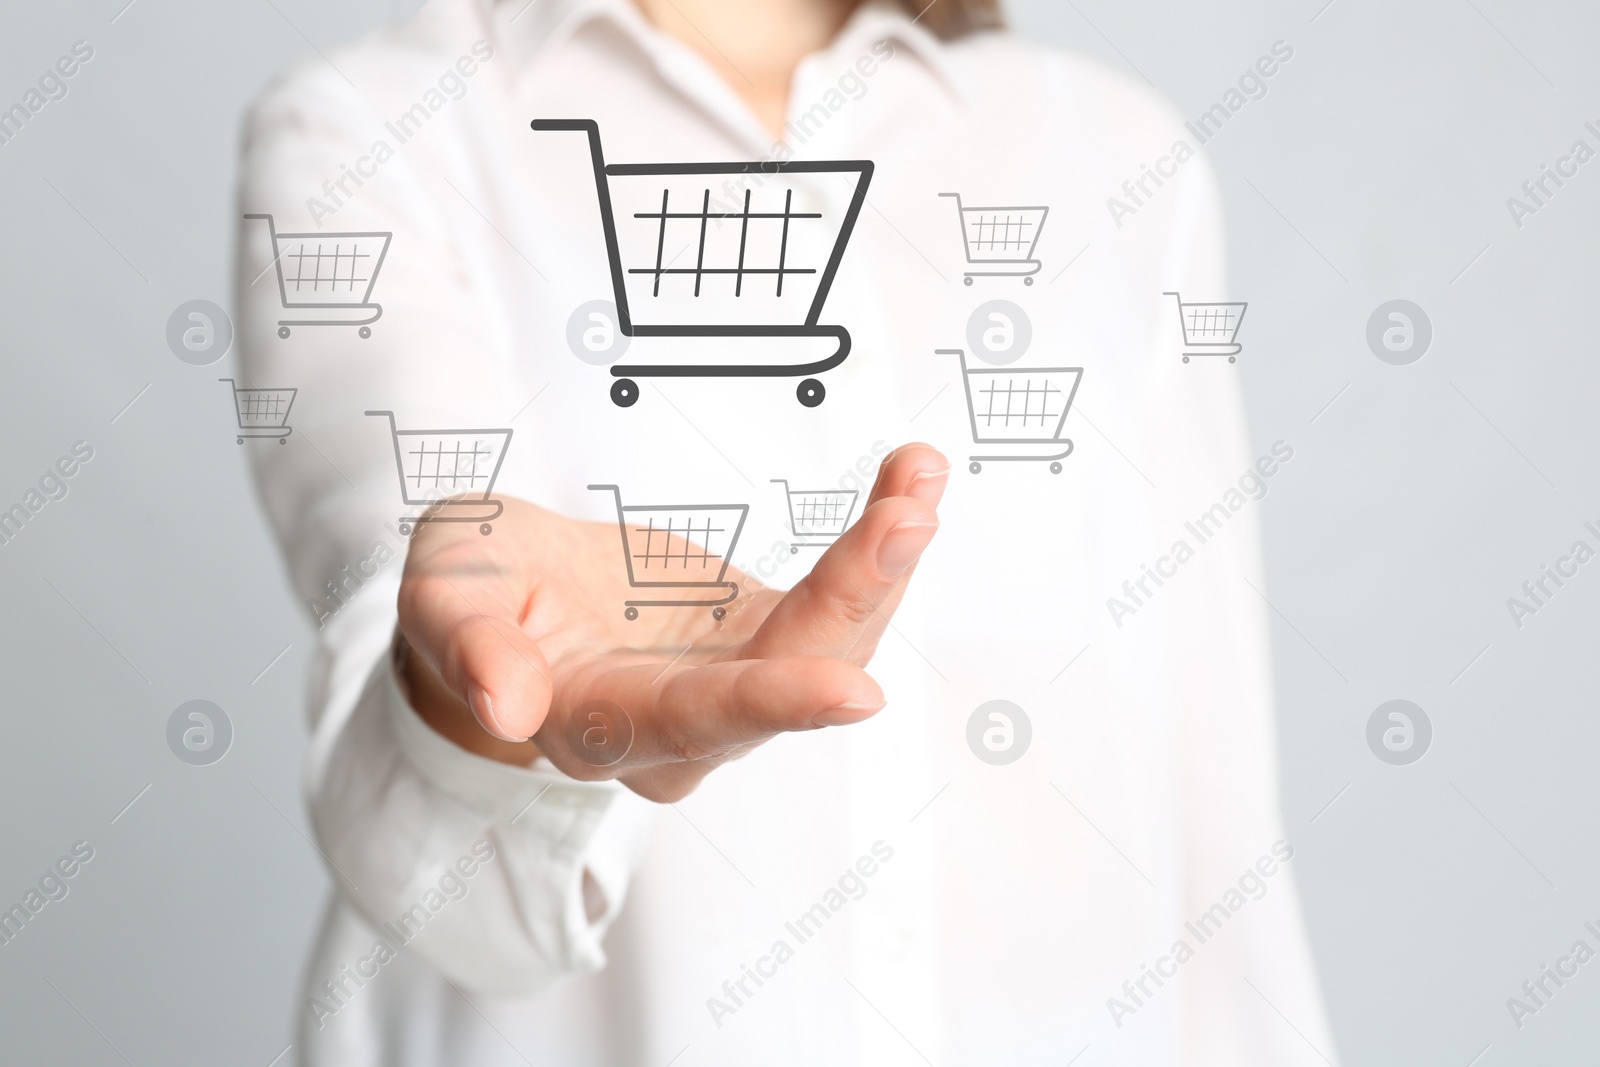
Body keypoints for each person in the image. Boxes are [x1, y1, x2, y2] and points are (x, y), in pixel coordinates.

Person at [235, 0, 1337, 1063]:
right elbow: (441, 883)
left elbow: (1211, 786)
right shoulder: (377, 129)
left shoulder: (1112, 150)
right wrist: (480, 712)